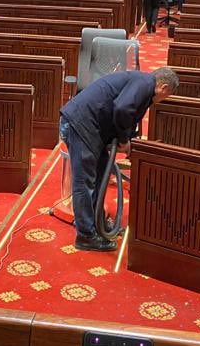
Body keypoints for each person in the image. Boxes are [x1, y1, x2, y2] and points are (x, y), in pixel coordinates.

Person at [60, 67, 179, 251]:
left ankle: (95, 225)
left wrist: (127, 138)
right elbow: (123, 108)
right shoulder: (145, 83)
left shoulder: (142, 84)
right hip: (81, 125)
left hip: (90, 128)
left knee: (100, 175)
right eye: (167, 96)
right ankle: (85, 235)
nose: (163, 100)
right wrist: (124, 140)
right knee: (85, 183)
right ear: (164, 88)